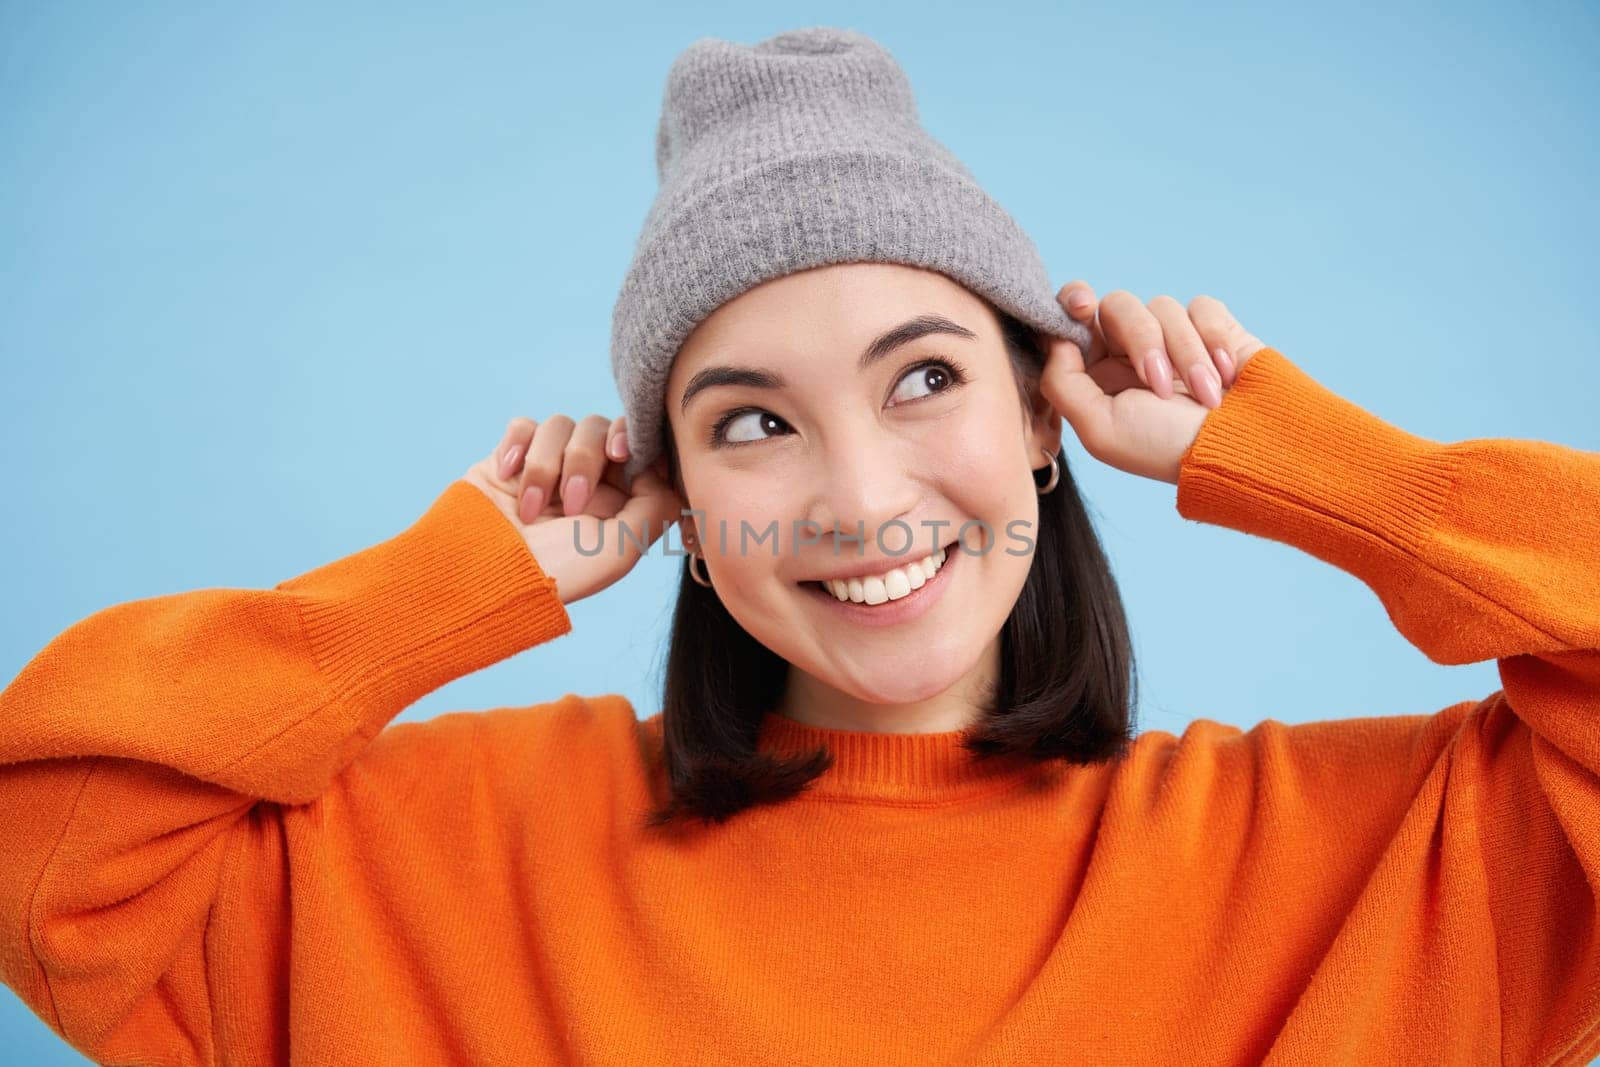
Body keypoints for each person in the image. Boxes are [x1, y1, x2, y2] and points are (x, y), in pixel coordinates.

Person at [3, 24, 1597, 1067]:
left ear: (1048, 418)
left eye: (925, 379)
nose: (854, 497)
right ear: (679, 499)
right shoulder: (430, 856)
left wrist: (1320, 466)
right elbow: (42, 839)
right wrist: (439, 592)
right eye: (753, 421)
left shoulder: (1375, 859)